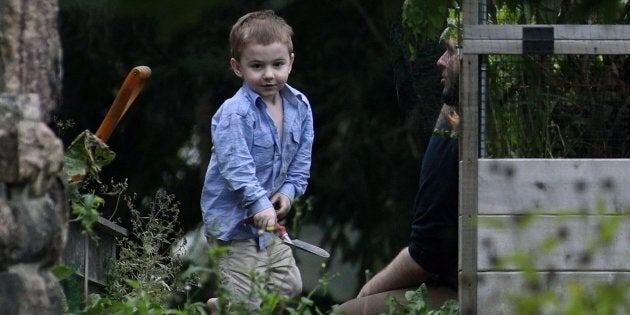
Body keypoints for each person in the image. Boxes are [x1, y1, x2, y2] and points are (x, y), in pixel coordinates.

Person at [200, 9, 314, 312]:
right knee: (247, 305)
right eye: (257, 66)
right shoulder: (234, 113)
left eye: (277, 64)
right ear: (238, 67)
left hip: (269, 225)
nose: (268, 74)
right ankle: (230, 306)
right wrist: (258, 202)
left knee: (289, 289)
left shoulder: (300, 107)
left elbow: (301, 163)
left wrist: (287, 194)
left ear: (291, 60)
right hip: (233, 226)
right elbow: (235, 167)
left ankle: (223, 307)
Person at [336, 39, 461, 314]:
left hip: (472, 294)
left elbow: (424, 255)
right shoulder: (460, 117)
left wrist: (368, 291)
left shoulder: (465, 134)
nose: (440, 61)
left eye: (450, 52)